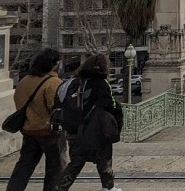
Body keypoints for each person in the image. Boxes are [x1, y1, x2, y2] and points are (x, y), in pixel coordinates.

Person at [55, 53, 122, 191]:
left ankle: (60, 187)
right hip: (96, 131)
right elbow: (110, 105)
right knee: (104, 162)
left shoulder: (71, 83)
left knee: (76, 163)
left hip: (73, 131)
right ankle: (108, 187)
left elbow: (58, 104)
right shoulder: (101, 83)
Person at [7, 48, 65, 191]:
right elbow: (56, 108)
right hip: (49, 132)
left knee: (24, 166)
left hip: (29, 130)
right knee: (55, 169)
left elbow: (19, 104)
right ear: (54, 64)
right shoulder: (53, 82)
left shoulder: (24, 81)